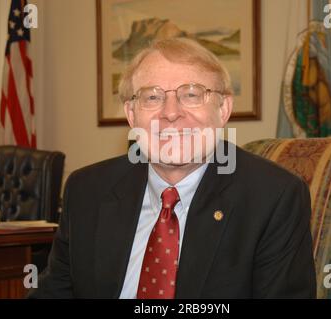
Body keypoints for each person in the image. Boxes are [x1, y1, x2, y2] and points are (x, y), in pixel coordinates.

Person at [28, 37, 316, 299]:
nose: (171, 113)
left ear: (223, 109)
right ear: (131, 115)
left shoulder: (274, 197)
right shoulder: (87, 190)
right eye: (152, 97)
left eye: (191, 94)